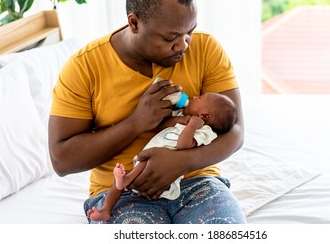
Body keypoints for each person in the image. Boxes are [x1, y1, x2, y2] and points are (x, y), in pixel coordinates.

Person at [49, 0, 246, 224]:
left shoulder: (207, 48)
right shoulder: (84, 67)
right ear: (134, 23)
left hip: (197, 181)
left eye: (190, 31)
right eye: (170, 37)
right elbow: (61, 160)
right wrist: (136, 123)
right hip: (121, 191)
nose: (184, 45)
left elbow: (237, 131)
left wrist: (182, 162)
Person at [86, 91, 237, 222]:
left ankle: (126, 180)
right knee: (118, 184)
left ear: (204, 115)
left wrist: (192, 126)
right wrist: (181, 120)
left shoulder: (204, 131)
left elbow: (183, 145)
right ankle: (106, 210)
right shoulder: (184, 115)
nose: (195, 96)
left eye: (200, 98)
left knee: (127, 179)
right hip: (148, 158)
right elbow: (162, 125)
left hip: (163, 171)